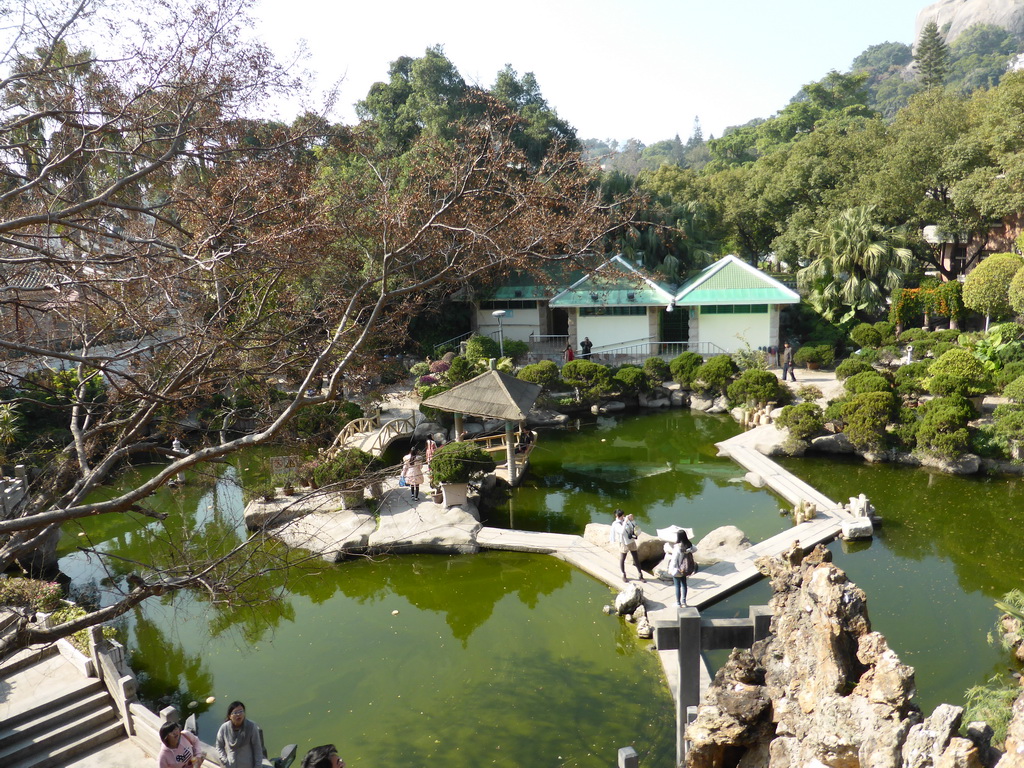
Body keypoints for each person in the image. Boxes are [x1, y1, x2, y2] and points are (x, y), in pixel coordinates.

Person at [215, 700, 264, 768]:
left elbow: (257, 748)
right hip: (230, 765)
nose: (239, 714)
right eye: (235, 712)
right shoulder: (224, 728)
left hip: (247, 765)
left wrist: (258, 766)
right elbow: (219, 746)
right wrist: (224, 760)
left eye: (241, 711)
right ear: (230, 716)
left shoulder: (251, 727)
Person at [667, 530, 696, 607]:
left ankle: (678, 603)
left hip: (677, 569)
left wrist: (670, 570)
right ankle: (684, 602)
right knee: (684, 585)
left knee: (677, 586)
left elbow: (674, 559)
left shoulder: (677, 547)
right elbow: (695, 549)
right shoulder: (689, 545)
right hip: (685, 569)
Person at [622, 513, 645, 581]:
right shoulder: (617, 523)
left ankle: (640, 575)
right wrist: (625, 522)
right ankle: (623, 575)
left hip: (631, 542)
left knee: (636, 558)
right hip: (624, 543)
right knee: (622, 559)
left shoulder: (628, 521)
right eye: (621, 516)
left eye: (623, 516)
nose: (622, 517)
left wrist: (632, 520)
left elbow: (636, 529)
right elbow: (621, 531)